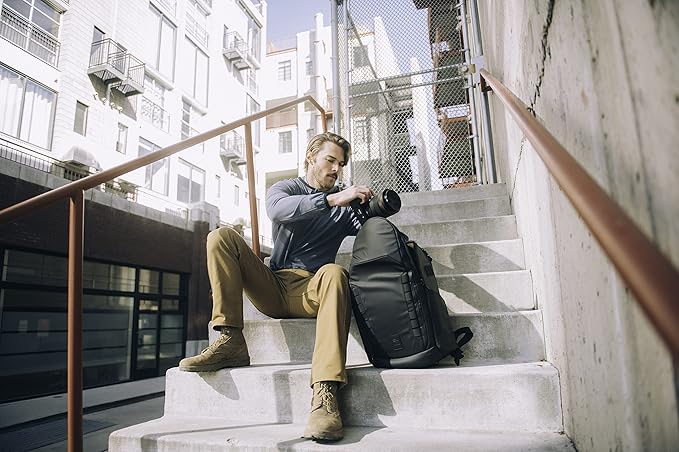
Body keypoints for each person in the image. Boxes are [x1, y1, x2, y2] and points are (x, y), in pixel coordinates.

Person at [179, 132, 374, 442]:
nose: (336, 169)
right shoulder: (285, 188)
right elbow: (278, 211)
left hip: (312, 289)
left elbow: (368, 230)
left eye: (341, 164)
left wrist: (372, 209)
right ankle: (230, 340)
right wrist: (332, 199)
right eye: (330, 160)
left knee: (335, 272)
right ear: (311, 157)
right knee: (220, 237)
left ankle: (325, 393)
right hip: (273, 284)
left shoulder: (344, 207)